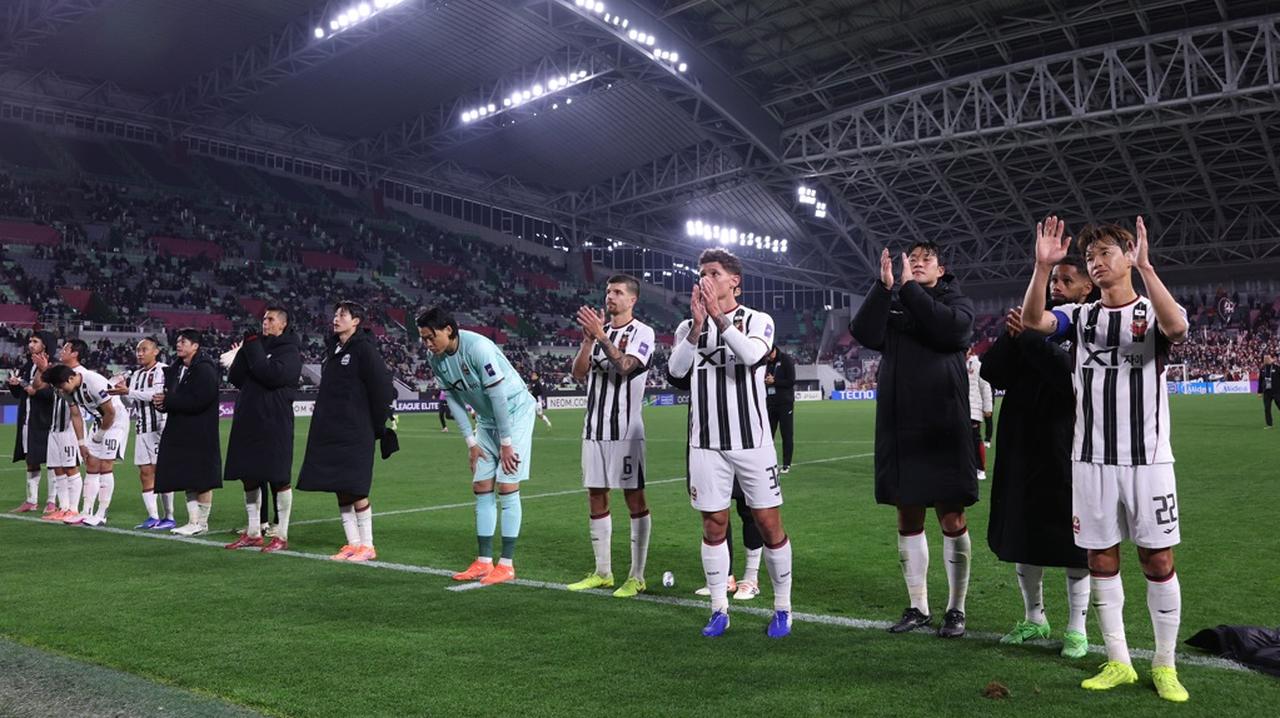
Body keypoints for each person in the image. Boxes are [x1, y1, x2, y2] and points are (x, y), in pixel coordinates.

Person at [1019, 216, 1190, 702]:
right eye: (1090, 256)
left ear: (1129, 255)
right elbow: (1033, 323)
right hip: (1090, 459)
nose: (1095, 263)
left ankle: (1164, 664)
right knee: (1100, 558)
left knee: (1158, 559)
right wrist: (1041, 268)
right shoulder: (1082, 316)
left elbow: (1177, 328)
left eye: (1104, 253)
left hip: (1148, 460)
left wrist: (1148, 269)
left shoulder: (1151, 311)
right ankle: (1118, 660)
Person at [849, 241, 976, 639]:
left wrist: (908, 290)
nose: (917, 264)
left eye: (926, 260)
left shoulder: (955, 303)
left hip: (944, 423)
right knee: (907, 516)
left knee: (951, 516)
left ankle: (956, 608)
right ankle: (918, 605)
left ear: (941, 269)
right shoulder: (895, 302)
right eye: (912, 259)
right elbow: (863, 332)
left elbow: (950, 330)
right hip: (900, 422)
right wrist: (883, 287)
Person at [668, 248, 794, 638]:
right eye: (701, 273)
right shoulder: (687, 326)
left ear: (734, 281)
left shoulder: (758, 320)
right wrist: (697, 325)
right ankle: (719, 609)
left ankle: (783, 609)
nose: (704, 279)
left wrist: (718, 318)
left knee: (768, 523)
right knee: (713, 525)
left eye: (713, 273)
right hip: (705, 443)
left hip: (752, 442)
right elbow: (676, 372)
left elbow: (753, 355)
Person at [981, 255, 1096, 660]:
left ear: (1087, 288)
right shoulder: (1035, 319)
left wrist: (1029, 337)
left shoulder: (1089, 325)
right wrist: (1011, 336)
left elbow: (1068, 379)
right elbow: (992, 372)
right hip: (1021, 443)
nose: (1056, 287)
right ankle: (1034, 617)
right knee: (1023, 532)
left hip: (1067, 444)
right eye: (1054, 280)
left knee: (1073, 538)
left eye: (1066, 280)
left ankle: (1077, 629)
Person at [420, 306, 537, 586]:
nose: (427, 344)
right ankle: (484, 561)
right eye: (423, 338)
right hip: (485, 419)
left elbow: (497, 396)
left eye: (430, 337)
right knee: (482, 484)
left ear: (448, 329)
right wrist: (471, 442)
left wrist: (506, 443)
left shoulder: (478, 348)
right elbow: (453, 400)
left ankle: (506, 564)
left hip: (514, 412)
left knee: (507, 485)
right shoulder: (435, 358)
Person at [565, 274, 656, 598]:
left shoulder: (642, 332)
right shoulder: (598, 333)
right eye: (608, 291)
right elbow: (578, 373)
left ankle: (636, 576)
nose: (610, 297)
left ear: (632, 299)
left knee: (634, 498)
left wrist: (601, 336)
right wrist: (588, 341)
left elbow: (627, 367)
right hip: (594, 429)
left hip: (626, 433)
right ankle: (603, 572)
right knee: (596, 495)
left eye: (617, 292)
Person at [297, 302, 395, 561]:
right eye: (336, 314)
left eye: (343, 315)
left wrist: (378, 422)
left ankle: (368, 546)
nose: (336, 318)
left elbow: (382, 387)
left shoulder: (364, 349)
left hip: (356, 429)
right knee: (339, 486)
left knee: (356, 487)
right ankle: (353, 543)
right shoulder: (334, 349)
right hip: (333, 429)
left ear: (356, 321)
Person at [223, 307, 303, 553]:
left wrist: (253, 347)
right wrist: (246, 348)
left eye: (270, 319)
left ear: (283, 324)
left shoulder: (290, 351)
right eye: (263, 319)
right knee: (248, 475)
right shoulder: (256, 346)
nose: (264, 323)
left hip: (274, 420)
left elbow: (270, 375)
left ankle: (281, 535)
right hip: (248, 417)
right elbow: (236, 377)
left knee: (278, 477)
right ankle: (253, 532)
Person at [40, 341, 129, 527]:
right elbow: (76, 415)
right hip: (99, 421)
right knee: (91, 465)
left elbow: (111, 412)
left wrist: (100, 435)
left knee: (105, 465)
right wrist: (81, 443)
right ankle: (85, 512)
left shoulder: (93, 381)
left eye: (61, 386)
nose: (61, 391)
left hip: (116, 422)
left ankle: (101, 514)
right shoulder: (66, 390)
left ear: (71, 379)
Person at [154, 328, 223, 536]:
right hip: (180, 430)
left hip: (200, 431)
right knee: (186, 476)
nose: (178, 344)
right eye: (178, 341)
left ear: (195, 346)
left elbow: (200, 400)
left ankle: (202, 523)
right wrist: (162, 404)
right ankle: (193, 521)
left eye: (183, 342)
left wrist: (169, 401)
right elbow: (173, 398)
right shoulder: (176, 369)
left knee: (202, 479)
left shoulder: (205, 369)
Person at [107, 337, 175, 530]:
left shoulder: (163, 370)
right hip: (141, 428)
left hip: (159, 427)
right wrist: (122, 392)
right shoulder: (136, 374)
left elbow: (156, 396)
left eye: (144, 349)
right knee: (145, 472)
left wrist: (128, 391)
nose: (140, 353)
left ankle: (169, 516)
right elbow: (132, 403)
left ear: (156, 351)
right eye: (138, 350)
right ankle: (153, 517)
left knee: (161, 471)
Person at [35, 340, 84, 521]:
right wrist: (43, 369)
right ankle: (63, 507)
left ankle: (74, 508)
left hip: (69, 429)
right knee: (57, 469)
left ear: (75, 353)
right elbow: (38, 386)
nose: (62, 351)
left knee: (71, 468)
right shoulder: (58, 372)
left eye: (66, 349)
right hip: (55, 428)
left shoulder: (80, 374)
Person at [8, 330, 56, 513]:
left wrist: (36, 392)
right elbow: (21, 394)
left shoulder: (53, 366)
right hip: (28, 420)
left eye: (35, 341)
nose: (30, 344)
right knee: (31, 459)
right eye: (30, 341)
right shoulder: (28, 366)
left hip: (46, 420)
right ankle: (31, 500)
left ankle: (52, 501)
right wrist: (14, 385)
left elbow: (56, 393)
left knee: (52, 461)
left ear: (45, 345)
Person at [765, 345, 796, 473]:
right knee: (768, 435)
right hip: (770, 403)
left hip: (785, 403)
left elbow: (791, 381)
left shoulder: (786, 360)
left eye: (769, 355)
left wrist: (774, 381)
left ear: (774, 350)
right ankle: (768, 462)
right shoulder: (766, 362)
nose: (768, 357)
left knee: (786, 434)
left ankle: (786, 464)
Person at [965, 349, 993, 480]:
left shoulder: (976, 364)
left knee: (975, 439)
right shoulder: (955, 362)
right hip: (958, 408)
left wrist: (988, 407)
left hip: (973, 408)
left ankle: (981, 469)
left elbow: (985, 386)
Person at [1260, 354, 1278, 428]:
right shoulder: (1262, 369)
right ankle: (1269, 424)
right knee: (1267, 408)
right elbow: (1260, 380)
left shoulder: (1276, 368)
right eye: (1265, 358)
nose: (1266, 359)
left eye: (1268, 358)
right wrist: (1259, 391)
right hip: (1266, 391)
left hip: (1276, 391)